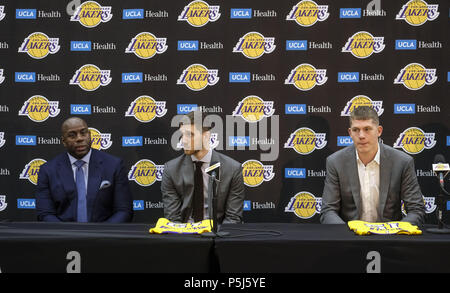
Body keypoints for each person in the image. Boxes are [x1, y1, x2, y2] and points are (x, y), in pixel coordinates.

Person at [321, 106, 425, 225]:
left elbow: (417, 210)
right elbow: (328, 210)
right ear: (350, 132)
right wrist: (347, 234)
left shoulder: (402, 162)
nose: (361, 135)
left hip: (390, 238)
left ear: (379, 131)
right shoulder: (335, 162)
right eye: (356, 130)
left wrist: (395, 231)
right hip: (350, 238)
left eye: (367, 129)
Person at [35, 117, 133, 222]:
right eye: (72, 135)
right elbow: (45, 214)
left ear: (89, 135)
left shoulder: (113, 165)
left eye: (83, 133)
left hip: (104, 235)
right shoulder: (48, 170)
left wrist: (101, 235)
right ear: (64, 141)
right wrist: (65, 235)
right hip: (63, 235)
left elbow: (123, 210)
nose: (79, 139)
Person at [161, 111, 245, 224]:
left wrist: (216, 237)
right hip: (184, 235)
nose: (183, 140)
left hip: (219, 234)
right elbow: (173, 218)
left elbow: (233, 219)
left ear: (206, 136)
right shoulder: (171, 170)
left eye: (190, 134)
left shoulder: (233, 169)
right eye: (182, 134)